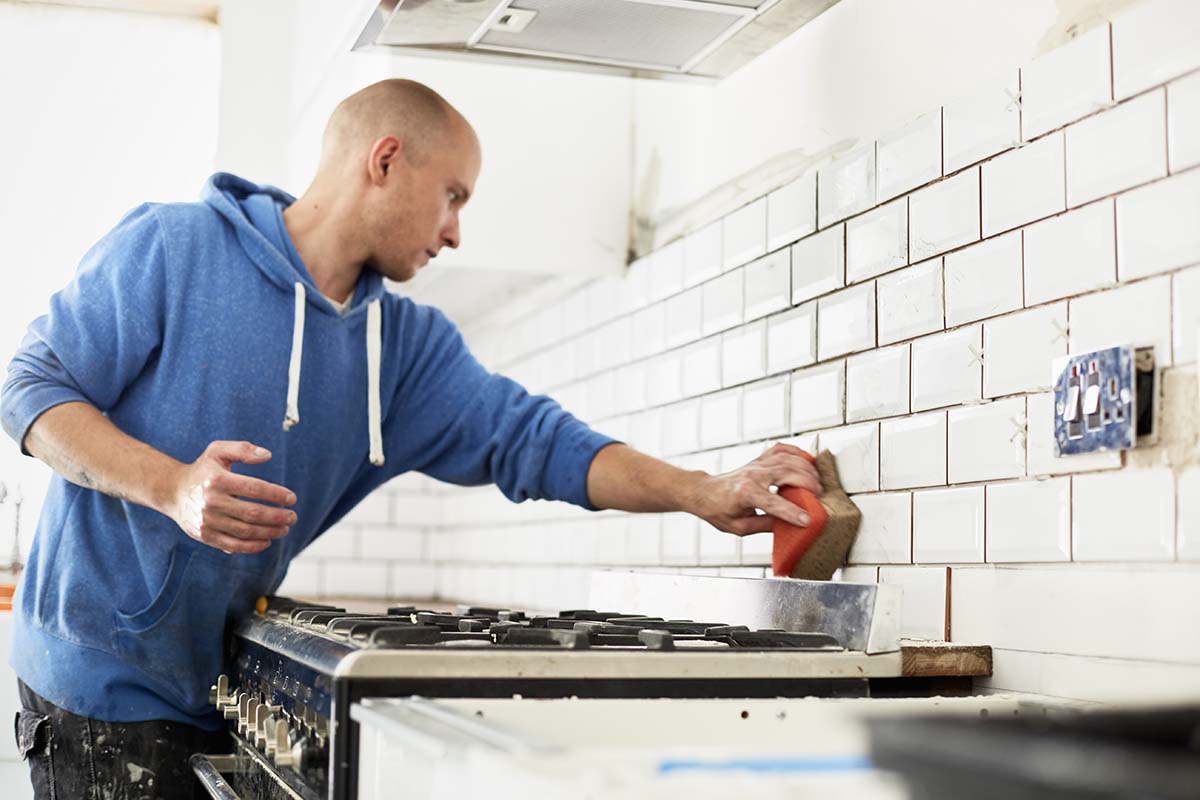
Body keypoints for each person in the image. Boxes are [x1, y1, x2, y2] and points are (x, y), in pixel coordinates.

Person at [0, 79, 822, 798]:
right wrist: (171, 485)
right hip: (97, 679)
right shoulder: (174, 249)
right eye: (454, 195)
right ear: (385, 160)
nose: (457, 231)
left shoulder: (403, 349)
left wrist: (704, 493)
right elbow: (27, 390)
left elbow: (534, 441)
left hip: (213, 681)